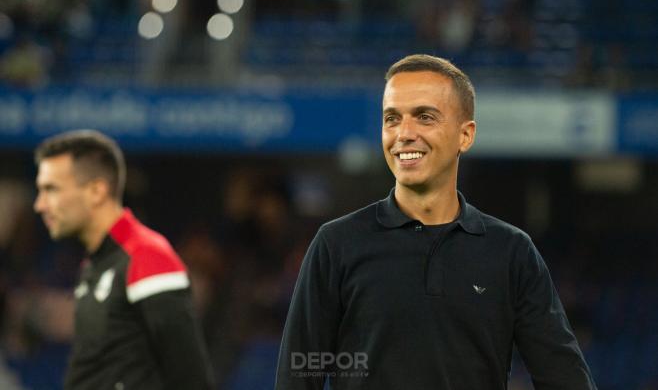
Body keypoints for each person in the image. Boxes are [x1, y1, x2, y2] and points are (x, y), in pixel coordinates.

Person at [275, 54, 597, 389]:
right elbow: (297, 378)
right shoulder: (336, 245)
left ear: (465, 135)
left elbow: (565, 378)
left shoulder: (512, 252)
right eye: (392, 118)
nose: (404, 133)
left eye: (425, 117)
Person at [33, 130, 214, 390]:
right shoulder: (95, 265)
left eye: (51, 189)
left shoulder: (147, 257)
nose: (40, 204)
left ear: (96, 191)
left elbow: (192, 379)